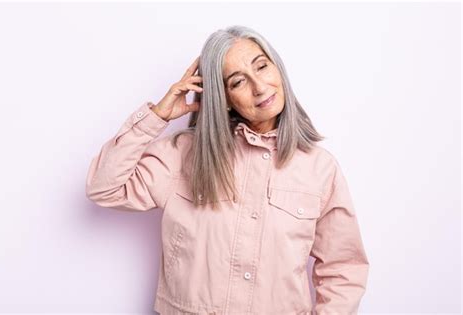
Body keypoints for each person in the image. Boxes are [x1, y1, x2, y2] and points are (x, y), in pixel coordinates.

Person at [86, 25, 369, 315]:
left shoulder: (319, 168)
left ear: (278, 69)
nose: (259, 87)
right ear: (224, 98)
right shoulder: (183, 154)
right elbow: (104, 188)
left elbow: (343, 268)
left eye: (262, 67)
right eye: (238, 82)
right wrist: (157, 117)